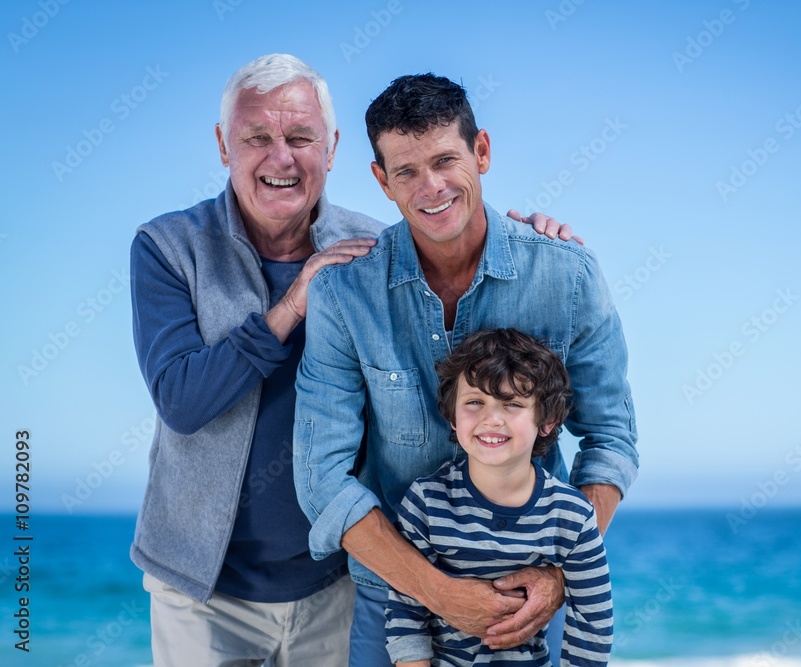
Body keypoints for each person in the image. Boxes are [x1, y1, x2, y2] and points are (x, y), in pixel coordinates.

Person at [129, 54, 571, 666]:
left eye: (300, 138)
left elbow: (460, 292)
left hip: (338, 577)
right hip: (201, 588)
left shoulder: (374, 248)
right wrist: (291, 308)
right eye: (256, 137)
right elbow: (181, 400)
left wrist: (530, 238)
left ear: (331, 148)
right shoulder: (168, 248)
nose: (280, 158)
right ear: (222, 145)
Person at [294, 73, 638, 667]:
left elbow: (611, 437)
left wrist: (558, 575)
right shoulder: (345, 296)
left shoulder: (568, 276)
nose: (430, 187)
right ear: (381, 181)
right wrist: (439, 593)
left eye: (445, 160)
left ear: (481, 152)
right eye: (405, 172)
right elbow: (320, 475)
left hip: (526, 604)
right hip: (393, 604)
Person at [385, 328, 613, 667]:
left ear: (547, 420)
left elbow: (593, 620)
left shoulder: (573, 514)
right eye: (475, 402)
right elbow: (406, 611)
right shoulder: (426, 502)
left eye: (513, 404)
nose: (491, 419)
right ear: (451, 415)